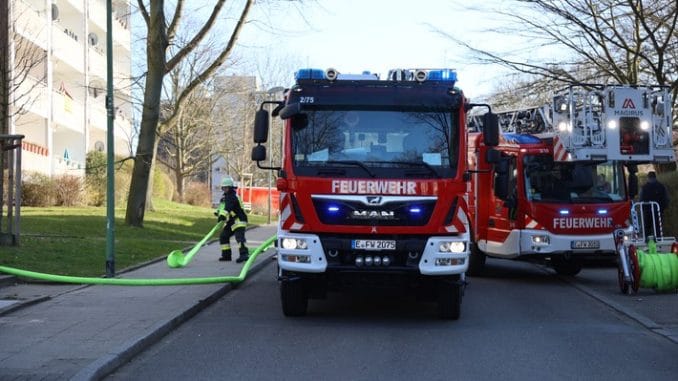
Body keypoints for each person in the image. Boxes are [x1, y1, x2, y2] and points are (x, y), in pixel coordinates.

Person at [215, 177, 249, 263]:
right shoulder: (225, 197)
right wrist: (218, 213)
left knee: (239, 238)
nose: (225, 189)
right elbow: (222, 207)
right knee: (224, 236)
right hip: (232, 221)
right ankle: (226, 255)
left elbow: (228, 207)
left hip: (239, 219)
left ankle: (244, 255)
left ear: (230, 188)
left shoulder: (232, 196)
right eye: (223, 188)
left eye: (226, 187)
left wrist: (223, 215)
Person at [638, 171, 670, 239]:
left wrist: (643, 208)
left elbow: (640, 200)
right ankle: (659, 243)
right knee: (658, 228)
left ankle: (647, 244)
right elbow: (667, 199)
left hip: (647, 212)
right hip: (658, 211)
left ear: (648, 178)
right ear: (655, 177)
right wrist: (663, 208)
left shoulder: (643, 188)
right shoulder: (662, 187)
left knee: (647, 229)